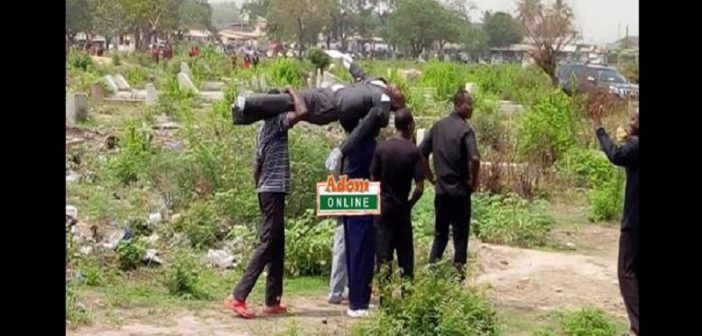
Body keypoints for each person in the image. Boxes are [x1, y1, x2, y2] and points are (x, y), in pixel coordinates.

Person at [231, 52, 406, 172]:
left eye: (400, 95)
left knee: (292, 101)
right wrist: (344, 58)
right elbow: (358, 72)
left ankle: (248, 103)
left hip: (330, 106)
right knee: (287, 100)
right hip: (327, 94)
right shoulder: (375, 81)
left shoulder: (383, 99)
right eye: (399, 90)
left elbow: (373, 120)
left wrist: (342, 150)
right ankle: (244, 115)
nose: (399, 90)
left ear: (394, 104)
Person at [225, 88, 307, 319]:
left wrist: (259, 189)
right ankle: (238, 296)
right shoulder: (277, 122)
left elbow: (256, 166)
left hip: (266, 190)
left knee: (277, 245)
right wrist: (292, 92)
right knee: (267, 243)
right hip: (273, 190)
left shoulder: (261, 129)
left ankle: (273, 300)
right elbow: (303, 110)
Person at [419, 89, 480, 281]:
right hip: (460, 193)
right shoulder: (465, 130)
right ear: (458, 105)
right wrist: (474, 181)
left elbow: (421, 153)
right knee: (461, 238)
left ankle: (433, 274)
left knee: (440, 235)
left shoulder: (437, 127)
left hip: (441, 192)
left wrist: (430, 177)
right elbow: (475, 159)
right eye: (469, 104)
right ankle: (457, 280)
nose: (472, 108)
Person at [370, 109, 425, 299]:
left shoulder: (381, 149)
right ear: (410, 126)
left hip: (383, 210)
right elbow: (419, 187)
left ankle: (385, 302)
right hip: (402, 211)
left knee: (384, 259)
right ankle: (407, 298)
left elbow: (373, 178)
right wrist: (409, 204)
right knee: (405, 260)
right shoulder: (414, 152)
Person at [594, 107, 639, 336]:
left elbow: (615, 154)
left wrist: (600, 130)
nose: (628, 121)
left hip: (634, 221)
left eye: (633, 118)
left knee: (626, 271)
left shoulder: (634, 147)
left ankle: (637, 327)